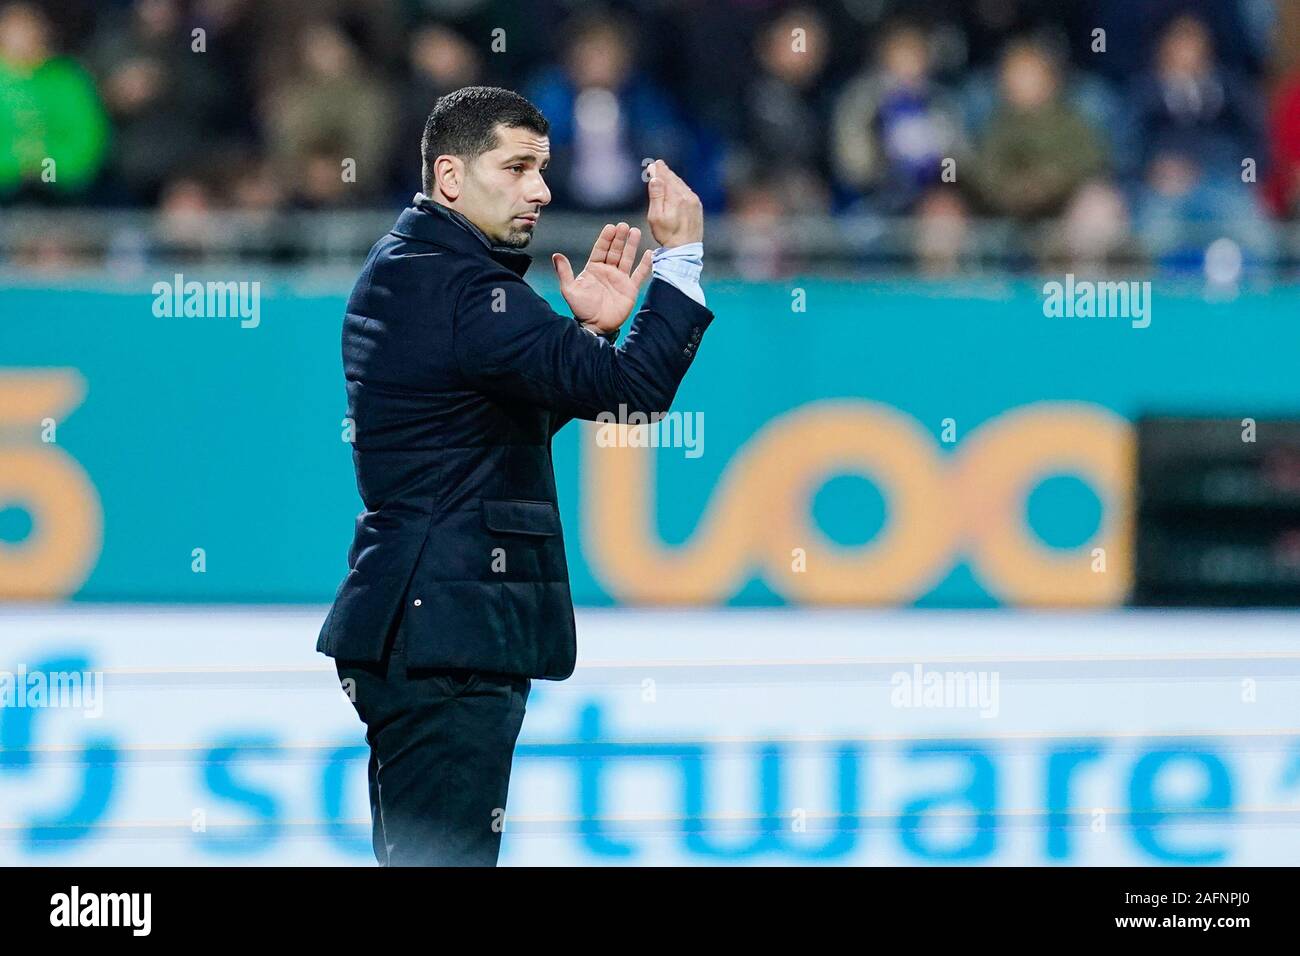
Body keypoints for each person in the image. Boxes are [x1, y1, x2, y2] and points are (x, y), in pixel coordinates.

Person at [318, 86, 713, 866]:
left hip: (424, 628)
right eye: (520, 166)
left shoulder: (415, 264)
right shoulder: (468, 289)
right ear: (452, 177)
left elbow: (474, 430)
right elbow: (634, 395)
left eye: (545, 167)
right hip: (446, 637)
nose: (542, 189)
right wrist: (681, 260)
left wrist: (575, 343)